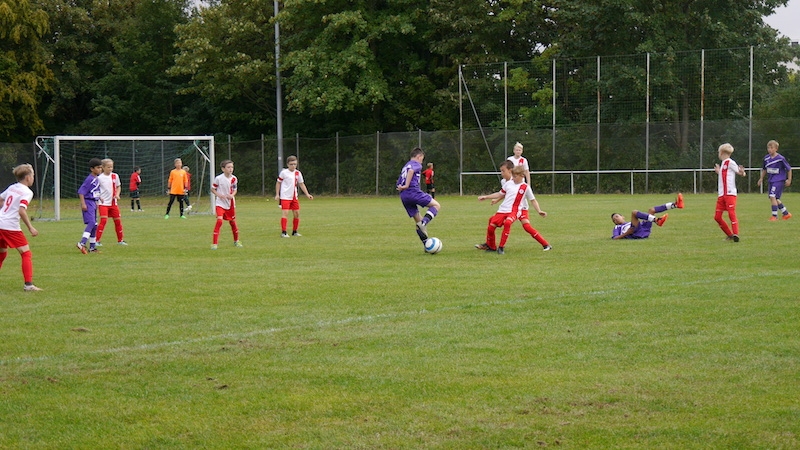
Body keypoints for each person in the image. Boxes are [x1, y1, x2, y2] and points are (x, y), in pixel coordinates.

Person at [474, 165, 538, 254]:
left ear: (521, 176)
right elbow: (501, 194)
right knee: (491, 226)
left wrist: (539, 211)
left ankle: (501, 248)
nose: (513, 178)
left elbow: (533, 200)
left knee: (511, 223)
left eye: (515, 176)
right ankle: (491, 246)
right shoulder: (507, 183)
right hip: (502, 210)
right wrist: (486, 197)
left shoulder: (525, 187)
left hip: (515, 210)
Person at [0, 164, 42, 291]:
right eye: (33, 175)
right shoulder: (27, 192)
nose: (33, 178)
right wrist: (30, 227)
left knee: (2, 252)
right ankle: (28, 285)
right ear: (28, 177)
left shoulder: (12, 187)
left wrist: (4, 212)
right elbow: (22, 211)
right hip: (10, 226)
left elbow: (1, 199)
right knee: (26, 253)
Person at [397, 147, 441, 243]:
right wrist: (407, 185)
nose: (422, 162)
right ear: (419, 156)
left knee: (418, 221)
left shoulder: (406, 166)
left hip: (404, 196)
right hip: (413, 191)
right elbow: (411, 171)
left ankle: (427, 244)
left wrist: (402, 187)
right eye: (422, 159)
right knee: (436, 205)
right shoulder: (416, 164)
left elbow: (399, 181)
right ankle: (424, 223)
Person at [611, 194, 684, 239]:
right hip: (636, 233)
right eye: (614, 220)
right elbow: (615, 238)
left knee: (651, 210)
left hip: (643, 228)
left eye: (617, 216)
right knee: (634, 212)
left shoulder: (629, 223)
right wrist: (626, 233)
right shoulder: (617, 227)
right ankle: (657, 220)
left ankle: (676, 205)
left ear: (622, 216)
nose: (616, 219)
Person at [714, 143, 746, 242]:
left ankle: (736, 234)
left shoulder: (730, 162)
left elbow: (740, 173)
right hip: (721, 194)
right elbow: (725, 175)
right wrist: (719, 172)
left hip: (730, 193)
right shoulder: (723, 163)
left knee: (731, 213)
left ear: (721, 152)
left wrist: (742, 172)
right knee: (717, 217)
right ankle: (730, 235)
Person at [275, 155, 313, 237]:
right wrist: (277, 194)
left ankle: (295, 231)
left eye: (295, 164)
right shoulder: (284, 173)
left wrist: (307, 194)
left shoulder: (298, 173)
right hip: (285, 196)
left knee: (297, 214)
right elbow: (278, 183)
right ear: (287, 164)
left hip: (294, 197)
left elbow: (301, 184)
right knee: (285, 213)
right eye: (291, 164)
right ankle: (284, 232)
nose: (293, 166)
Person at [757, 140, 792, 221]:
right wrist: (761, 178)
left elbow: (789, 169)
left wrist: (789, 179)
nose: (769, 149)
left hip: (779, 180)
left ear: (776, 149)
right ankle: (786, 213)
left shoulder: (780, 159)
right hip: (771, 180)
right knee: (774, 198)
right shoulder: (766, 158)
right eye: (768, 148)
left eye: (771, 148)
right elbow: (765, 169)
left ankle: (774, 216)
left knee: (772, 196)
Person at [211, 160, 241, 250]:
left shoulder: (234, 179)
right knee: (219, 221)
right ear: (223, 169)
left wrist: (232, 195)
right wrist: (219, 195)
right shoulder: (219, 178)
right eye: (228, 167)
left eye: (232, 167)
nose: (230, 169)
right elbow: (213, 189)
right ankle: (214, 244)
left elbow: (235, 189)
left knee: (232, 222)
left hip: (230, 204)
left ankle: (236, 241)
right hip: (220, 203)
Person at [96, 159, 127, 246]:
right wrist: (99, 197)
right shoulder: (99, 178)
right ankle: (96, 240)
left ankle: (120, 240)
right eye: (108, 167)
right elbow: (96, 189)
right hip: (103, 203)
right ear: (103, 167)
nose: (110, 169)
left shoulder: (115, 176)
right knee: (103, 220)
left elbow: (118, 186)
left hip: (113, 203)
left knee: (118, 221)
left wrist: (117, 194)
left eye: (111, 167)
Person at [77, 158, 104, 254]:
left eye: (101, 167)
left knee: (95, 225)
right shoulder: (89, 179)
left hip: (93, 203)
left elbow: (94, 191)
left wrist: (99, 197)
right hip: (88, 202)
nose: (100, 169)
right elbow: (81, 192)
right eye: (98, 168)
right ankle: (82, 242)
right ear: (92, 169)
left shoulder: (96, 179)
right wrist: (83, 203)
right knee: (91, 222)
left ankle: (92, 247)